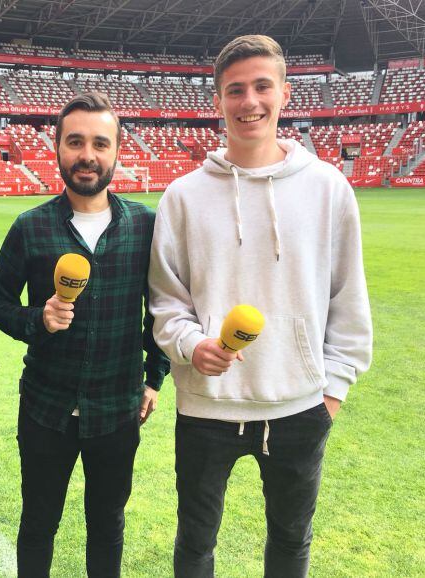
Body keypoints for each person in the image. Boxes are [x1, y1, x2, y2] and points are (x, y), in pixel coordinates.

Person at [148, 35, 373, 577]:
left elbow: (349, 297)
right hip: (206, 408)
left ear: (285, 94)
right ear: (219, 101)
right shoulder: (182, 196)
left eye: (261, 86)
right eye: (235, 90)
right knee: (195, 545)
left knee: (292, 543)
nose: (249, 101)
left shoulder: (328, 189)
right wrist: (190, 345)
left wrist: (332, 391)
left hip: (298, 407)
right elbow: (165, 301)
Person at [0, 92, 170, 578]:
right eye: (75, 141)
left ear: (116, 152)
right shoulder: (30, 228)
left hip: (116, 409)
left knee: (108, 525)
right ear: (57, 147)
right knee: (38, 523)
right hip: (45, 408)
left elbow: (162, 310)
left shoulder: (146, 227)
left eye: (99, 143)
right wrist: (37, 320)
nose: (86, 155)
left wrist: (154, 379)